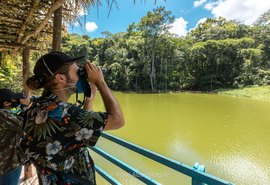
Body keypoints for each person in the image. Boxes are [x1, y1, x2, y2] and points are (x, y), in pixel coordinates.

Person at [20, 51, 124, 185]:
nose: (81, 75)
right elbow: (118, 120)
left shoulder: (36, 107)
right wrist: (100, 82)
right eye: (77, 72)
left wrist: (89, 100)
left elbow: (79, 129)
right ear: (61, 78)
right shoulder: (65, 114)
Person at [0, 88, 30, 185]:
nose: (17, 101)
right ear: (6, 103)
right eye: (15, 99)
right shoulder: (2, 116)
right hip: (7, 165)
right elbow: (27, 124)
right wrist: (25, 106)